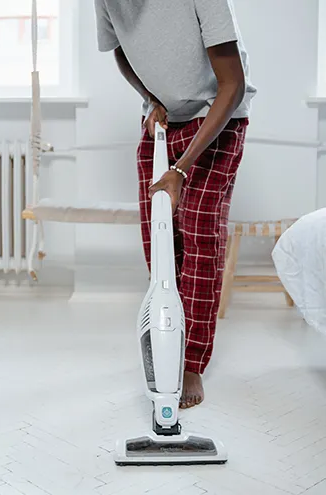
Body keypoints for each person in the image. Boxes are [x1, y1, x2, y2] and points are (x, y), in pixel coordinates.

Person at [94, 0, 256, 408]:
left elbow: (232, 85)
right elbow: (118, 50)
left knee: (199, 232)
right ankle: (168, 339)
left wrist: (181, 170)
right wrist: (151, 97)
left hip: (219, 116)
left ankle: (192, 363)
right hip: (167, 122)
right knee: (159, 239)